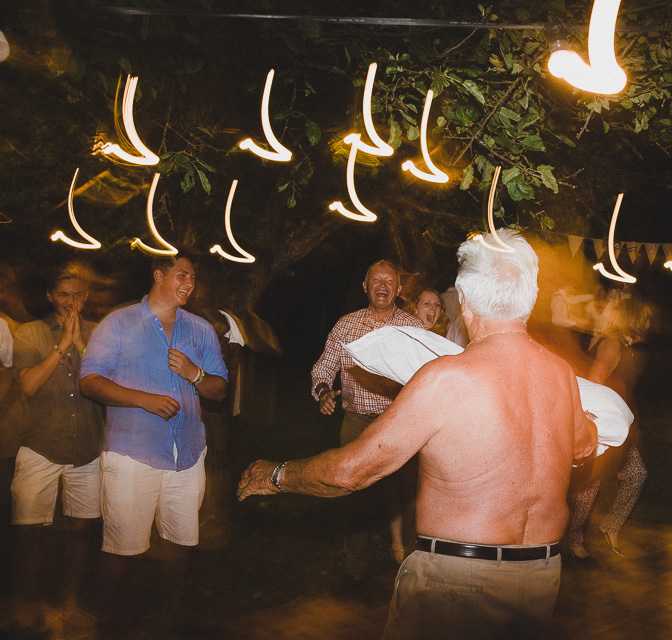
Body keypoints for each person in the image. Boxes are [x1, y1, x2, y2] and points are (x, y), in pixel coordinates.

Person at [240, 230, 598, 640]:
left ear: (463, 300)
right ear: (530, 298)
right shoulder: (562, 377)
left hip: (458, 585)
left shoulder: (448, 378)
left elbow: (351, 472)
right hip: (541, 576)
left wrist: (276, 475)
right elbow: (585, 445)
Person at [79, 252, 228, 637]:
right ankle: (110, 624)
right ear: (159, 276)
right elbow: (90, 380)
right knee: (122, 548)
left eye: (193, 277)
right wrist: (142, 399)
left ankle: (172, 619)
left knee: (180, 545)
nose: (189, 283)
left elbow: (219, 389)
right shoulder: (120, 323)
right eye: (182, 274)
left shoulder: (200, 329)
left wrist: (195, 374)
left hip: (188, 454)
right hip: (133, 455)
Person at [309, 259, 423, 577]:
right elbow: (323, 367)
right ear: (365, 286)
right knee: (353, 492)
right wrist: (322, 392)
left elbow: (430, 376)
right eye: (376, 280)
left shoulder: (413, 328)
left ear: (399, 289)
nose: (382, 286)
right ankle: (356, 569)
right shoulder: (346, 325)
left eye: (389, 281)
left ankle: (415, 561)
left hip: (400, 423)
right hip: (357, 421)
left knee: (409, 493)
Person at [6, 265, 103, 631]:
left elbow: (104, 380)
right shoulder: (30, 333)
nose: (71, 302)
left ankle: (69, 602)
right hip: (39, 444)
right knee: (29, 531)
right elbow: (29, 384)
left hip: (87, 447)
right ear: (50, 296)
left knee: (80, 530)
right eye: (64, 295)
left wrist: (79, 342)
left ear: (87, 297)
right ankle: (27, 602)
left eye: (78, 295)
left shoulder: (98, 334)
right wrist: (62, 344)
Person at [566, 297, 650, 560]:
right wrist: (590, 423)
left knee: (635, 475)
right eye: (646, 319)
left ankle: (608, 527)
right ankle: (574, 540)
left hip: (616, 424)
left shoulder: (625, 346)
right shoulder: (612, 342)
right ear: (637, 320)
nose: (649, 324)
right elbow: (595, 380)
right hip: (599, 422)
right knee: (590, 483)